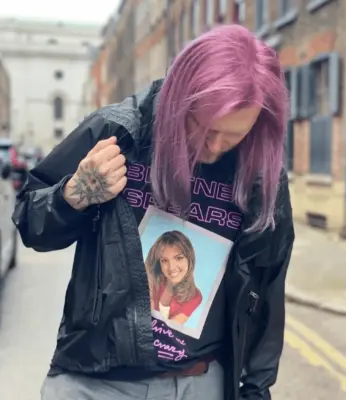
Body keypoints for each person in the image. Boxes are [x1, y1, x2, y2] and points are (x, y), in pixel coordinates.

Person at [13, 25, 295, 400]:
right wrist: (74, 195)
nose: (213, 146)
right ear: (181, 97)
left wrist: (256, 389)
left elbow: (267, 285)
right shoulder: (120, 131)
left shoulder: (262, 171)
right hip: (94, 384)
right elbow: (32, 225)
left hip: (200, 383)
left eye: (232, 137)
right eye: (202, 126)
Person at [146, 230, 203, 324]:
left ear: (189, 258)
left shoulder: (194, 296)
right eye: (164, 260)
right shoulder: (152, 280)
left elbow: (170, 329)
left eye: (179, 258)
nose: (172, 267)